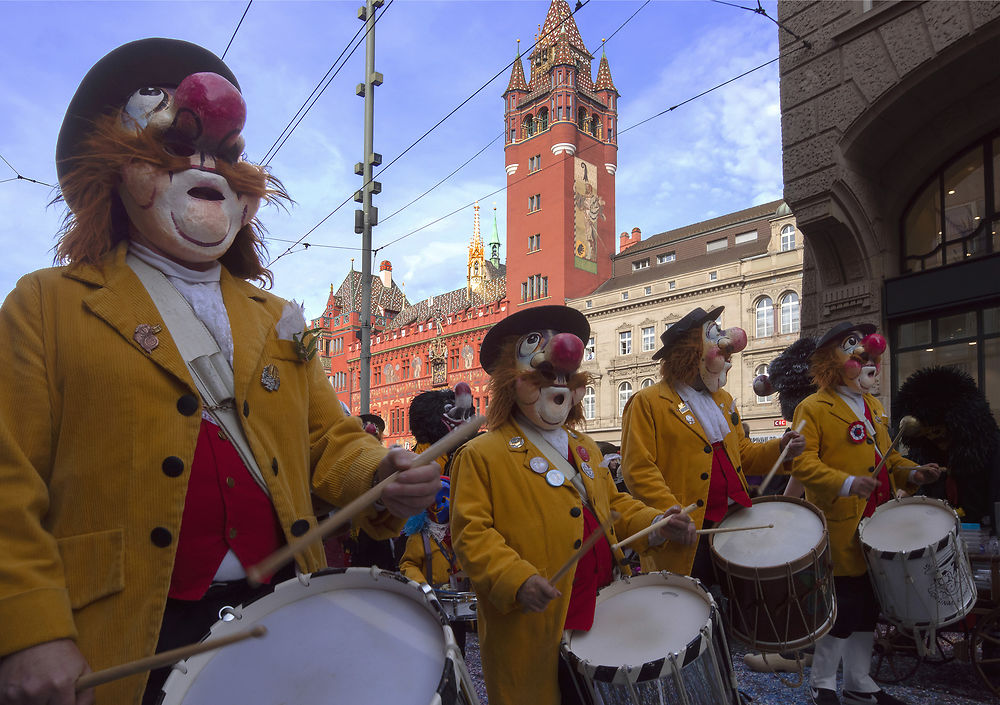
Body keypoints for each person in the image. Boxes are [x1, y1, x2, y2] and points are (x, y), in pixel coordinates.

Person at [0, 38, 441, 705]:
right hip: (122, 635)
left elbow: (327, 438)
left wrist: (377, 474)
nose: (205, 165)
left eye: (226, 153)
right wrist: (30, 628)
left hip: (282, 620)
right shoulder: (47, 302)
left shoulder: (277, 317)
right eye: (174, 149)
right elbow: (8, 476)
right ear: (117, 173)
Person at [450, 305, 690, 705]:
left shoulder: (586, 448)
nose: (556, 387)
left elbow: (613, 504)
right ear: (513, 382)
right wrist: (517, 579)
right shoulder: (481, 453)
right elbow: (471, 534)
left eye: (563, 378)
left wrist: (656, 521)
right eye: (544, 377)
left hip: (600, 605)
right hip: (537, 618)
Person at [790, 322, 942, 705]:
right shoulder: (812, 407)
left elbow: (890, 460)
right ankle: (823, 685)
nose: (864, 353)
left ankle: (859, 683)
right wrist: (846, 483)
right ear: (831, 361)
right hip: (842, 525)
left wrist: (914, 472)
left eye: (864, 347)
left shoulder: (874, 405)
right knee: (842, 608)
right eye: (851, 346)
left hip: (880, 524)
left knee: (869, 609)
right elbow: (801, 466)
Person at [620, 305, 805, 581]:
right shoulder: (647, 402)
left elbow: (742, 453)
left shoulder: (724, 400)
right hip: (690, 531)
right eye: (716, 341)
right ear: (691, 352)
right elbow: (639, 469)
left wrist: (780, 449)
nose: (728, 356)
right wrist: (673, 515)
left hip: (735, 522)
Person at [897, 365, 1000, 531]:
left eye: (938, 431)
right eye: (927, 434)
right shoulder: (924, 453)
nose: (934, 438)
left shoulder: (991, 449)